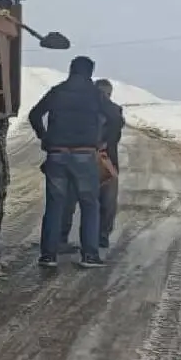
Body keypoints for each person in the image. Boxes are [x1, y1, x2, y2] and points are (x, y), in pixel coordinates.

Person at [28, 57, 124, 269]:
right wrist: (103, 139)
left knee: (55, 204)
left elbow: (34, 115)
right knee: (90, 204)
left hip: (57, 155)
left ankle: (48, 255)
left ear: (71, 70)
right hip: (84, 154)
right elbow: (116, 116)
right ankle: (89, 255)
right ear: (90, 73)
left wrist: (44, 136)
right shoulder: (95, 94)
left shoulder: (58, 91)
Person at [59, 78, 124, 252]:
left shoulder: (113, 111)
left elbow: (115, 131)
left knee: (103, 202)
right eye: (102, 94)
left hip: (105, 161)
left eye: (107, 94)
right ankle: (73, 238)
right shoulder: (86, 110)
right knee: (76, 201)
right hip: (89, 161)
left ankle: (99, 238)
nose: (105, 97)